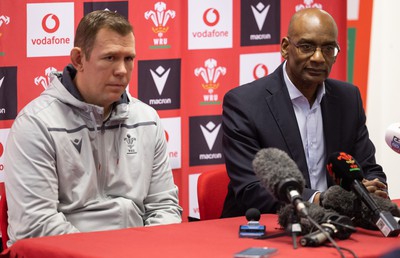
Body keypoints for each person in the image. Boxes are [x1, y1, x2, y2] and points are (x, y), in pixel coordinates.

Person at [3, 10, 182, 246]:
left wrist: (150, 249)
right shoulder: (36, 124)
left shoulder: (147, 118)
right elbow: (37, 226)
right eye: (110, 58)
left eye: (128, 59)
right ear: (78, 60)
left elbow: (164, 206)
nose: (122, 70)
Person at [221, 8, 388, 218]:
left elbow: (369, 168)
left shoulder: (348, 99)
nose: (318, 58)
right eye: (307, 47)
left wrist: (373, 188)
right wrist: (320, 198)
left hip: (338, 223)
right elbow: (252, 189)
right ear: (285, 47)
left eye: (328, 49)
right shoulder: (244, 103)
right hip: (268, 227)